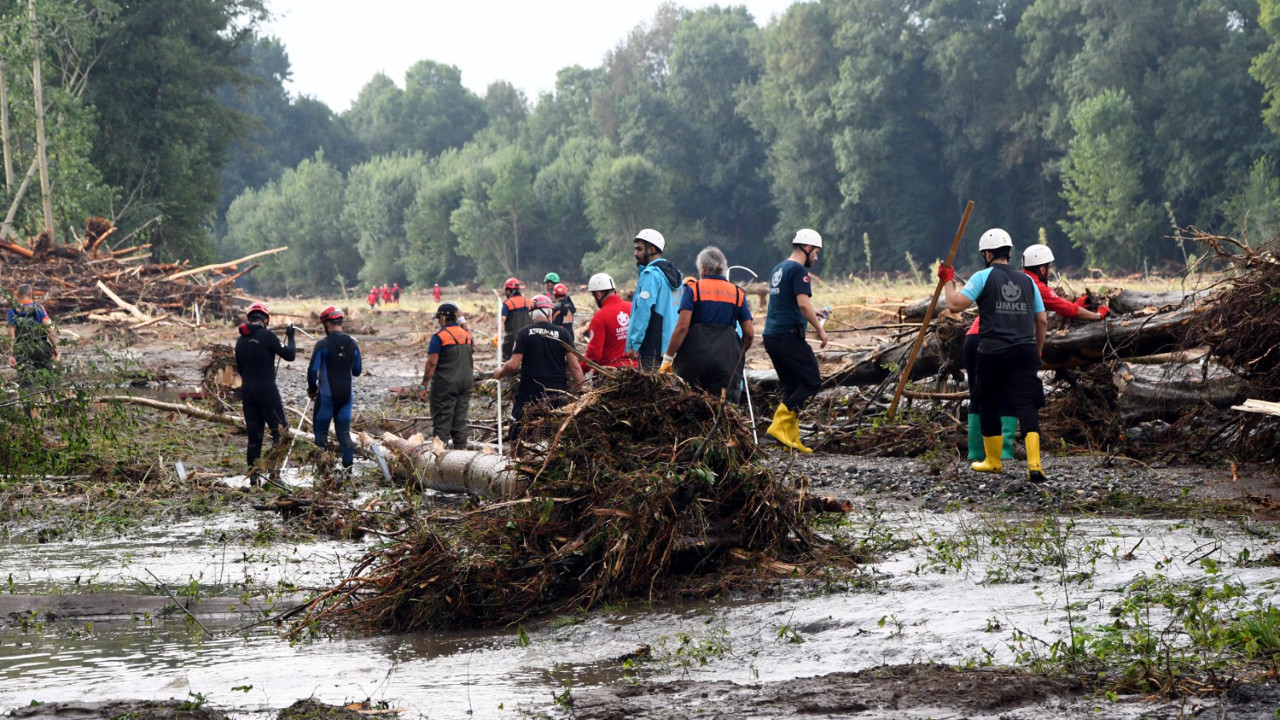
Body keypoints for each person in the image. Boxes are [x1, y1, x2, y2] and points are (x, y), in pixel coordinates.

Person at [961, 243, 1111, 462]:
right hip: (997, 342)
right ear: (1042, 269)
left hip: (974, 337)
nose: (1050, 272)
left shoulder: (1010, 278)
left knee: (980, 395)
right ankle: (1004, 451)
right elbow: (1061, 310)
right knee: (1010, 396)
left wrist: (1072, 305)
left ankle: (975, 452)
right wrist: (1097, 315)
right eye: (1049, 268)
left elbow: (1057, 306)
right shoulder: (1031, 283)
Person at [942, 228, 1049, 483]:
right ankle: (1035, 465)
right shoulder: (1028, 281)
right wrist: (1037, 352)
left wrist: (947, 279)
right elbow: (1042, 321)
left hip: (993, 351)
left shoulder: (983, 277)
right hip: (1024, 351)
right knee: (1026, 404)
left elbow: (955, 305)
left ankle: (992, 461)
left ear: (987, 254)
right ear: (1010, 253)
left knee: (988, 402)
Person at [763, 229, 829, 453]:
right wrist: (820, 330)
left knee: (792, 387)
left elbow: (787, 303)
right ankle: (778, 425)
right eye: (816, 252)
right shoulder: (799, 270)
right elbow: (802, 303)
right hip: (788, 336)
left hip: (771, 336)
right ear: (807, 248)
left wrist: (814, 311)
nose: (816, 257)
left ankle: (790, 438)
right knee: (812, 381)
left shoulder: (778, 268)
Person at [661, 246, 753, 398]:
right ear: (723, 268)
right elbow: (749, 332)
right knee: (723, 409)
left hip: (694, 362)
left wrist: (668, 358)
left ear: (703, 268)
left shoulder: (693, 290)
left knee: (692, 405)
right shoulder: (737, 293)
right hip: (726, 362)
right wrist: (739, 354)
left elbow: (682, 327)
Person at [495, 294, 584, 440]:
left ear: (531, 314)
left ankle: (519, 457)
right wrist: (582, 391)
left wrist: (499, 372)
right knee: (556, 434)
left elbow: (513, 365)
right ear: (549, 312)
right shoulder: (563, 333)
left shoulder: (523, 334)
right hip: (558, 392)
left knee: (518, 432)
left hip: (530, 392)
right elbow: (574, 367)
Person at [234, 302, 296, 476]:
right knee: (281, 434)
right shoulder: (268, 336)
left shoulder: (240, 342)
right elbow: (290, 355)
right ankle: (274, 475)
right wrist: (290, 336)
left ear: (249, 319)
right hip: (267, 391)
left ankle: (254, 480)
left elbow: (240, 369)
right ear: (266, 320)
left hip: (248, 393)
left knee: (254, 438)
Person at [308, 306, 363, 471]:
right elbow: (357, 371)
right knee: (344, 433)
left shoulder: (323, 345)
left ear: (326, 324)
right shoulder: (353, 344)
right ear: (340, 322)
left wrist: (312, 389)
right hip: (346, 396)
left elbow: (312, 371)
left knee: (321, 433)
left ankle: (324, 472)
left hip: (326, 396)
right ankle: (349, 472)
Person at [626, 228, 683, 370]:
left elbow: (643, 311)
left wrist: (634, 344)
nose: (635, 254)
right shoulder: (677, 275)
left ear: (651, 249)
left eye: (639, 249)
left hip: (653, 350)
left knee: (653, 391)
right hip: (674, 348)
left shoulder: (650, 275)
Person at [419, 302, 473, 449]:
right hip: (466, 384)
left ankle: (439, 458)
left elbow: (431, 364)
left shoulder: (439, 337)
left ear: (443, 318)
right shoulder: (467, 335)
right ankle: (461, 456)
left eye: (439, 318)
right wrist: (462, 319)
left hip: (445, 385)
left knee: (442, 422)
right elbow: (470, 336)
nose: (438, 322)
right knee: (460, 422)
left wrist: (424, 385)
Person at [6, 284, 58, 400]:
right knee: (48, 376)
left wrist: (11, 353)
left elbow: (11, 334)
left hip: (22, 349)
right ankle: (54, 401)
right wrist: (55, 346)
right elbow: (49, 329)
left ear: (17, 296)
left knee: (26, 382)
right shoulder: (39, 308)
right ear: (30, 294)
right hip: (40, 346)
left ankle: (29, 410)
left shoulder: (12, 311)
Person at [583, 273, 636, 371]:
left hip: (610, 373)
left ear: (598, 294)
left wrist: (580, 369)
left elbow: (594, 354)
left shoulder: (600, 317)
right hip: (636, 370)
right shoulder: (633, 307)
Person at [500, 277, 533, 361]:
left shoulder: (507, 303)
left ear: (508, 291)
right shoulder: (529, 301)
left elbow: (502, 320)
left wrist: (497, 334)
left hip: (512, 338)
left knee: (507, 360)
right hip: (529, 336)